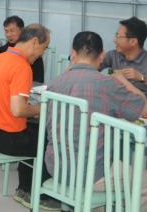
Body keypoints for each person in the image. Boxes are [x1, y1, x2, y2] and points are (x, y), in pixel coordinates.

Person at [46, 31, 146, 194]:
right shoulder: (108, 84)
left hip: (56, 167)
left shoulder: (55, 83)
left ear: (73, 53)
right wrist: (122, 80)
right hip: (92, 173)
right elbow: (143, 109)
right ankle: (119, 210)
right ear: (102, 55)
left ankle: (95, 210)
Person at [0, 24, 58, 210]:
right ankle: (39, 195)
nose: (42, 54)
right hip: (10, 138)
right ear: (34, 42)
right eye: (44, 48)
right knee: (50, 141)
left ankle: (24, 189)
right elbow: (18, 110)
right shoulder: (22, 67)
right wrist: (42, 108)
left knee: (34, 132)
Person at [100, 16, 147, 95]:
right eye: (116, 35)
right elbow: (98, 71)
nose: (114, 40)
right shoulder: (112, 55)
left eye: (119, 37)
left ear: (133, 41)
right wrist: (113, 72)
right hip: (114, 100)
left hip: (140, 101)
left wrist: (141, 77)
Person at [0, 16, 45, 82]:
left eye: (12, 31)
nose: (9, 35)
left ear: (22, 31)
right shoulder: (2, 50)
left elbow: (38, 80)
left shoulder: (33, 53)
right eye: (6, 31)